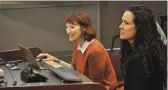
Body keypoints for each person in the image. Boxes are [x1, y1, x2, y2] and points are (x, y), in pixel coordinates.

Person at [38, 12, 117, 90]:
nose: (68, 31)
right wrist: (56, 60)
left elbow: (95, 85)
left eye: (72, 27)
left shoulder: (95, 51)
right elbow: (73, 69)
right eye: (67, 27)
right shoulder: (77, 44)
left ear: (85, 28)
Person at [119, 4, 167, 90]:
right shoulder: (150, 50)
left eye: (126, 23)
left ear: (139, 27)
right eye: (122, 21)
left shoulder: (139, 58)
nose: (120, 26)